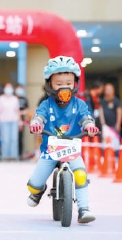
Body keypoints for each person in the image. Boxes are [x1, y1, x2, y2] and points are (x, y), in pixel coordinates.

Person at [28, 56, 99, 224]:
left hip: (72, 150)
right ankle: (38, 191)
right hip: (50, 150)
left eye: (68, 83)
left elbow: (86, 118)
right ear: (50, 85)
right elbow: (38, 117)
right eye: (59, 84)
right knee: (33, 185)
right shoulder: (47, 104)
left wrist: (89, 126)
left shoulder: (79, 104)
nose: (64, 87)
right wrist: (36, 124)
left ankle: (84, 208)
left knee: (80, 174)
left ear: (75, 84)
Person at [0, 82, 20, 161]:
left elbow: (17, 111)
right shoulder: (0, 99)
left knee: (14, 139)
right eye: (7, 87)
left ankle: (14, 156)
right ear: (4, 89)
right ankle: (5, 156)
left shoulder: (15, 99)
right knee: (5, 139)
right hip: (4, 121)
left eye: (10, 87)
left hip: (14, 121)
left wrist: (20, 122)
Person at [15, 84, 29, 159]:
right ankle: (12, 154)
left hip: (21, 121)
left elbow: (26, 110)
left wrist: (19, 113)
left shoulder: (24, 99)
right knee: (13, 138)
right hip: (13, 120)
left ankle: (19, 154)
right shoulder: (13, 98)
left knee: (20, 138)